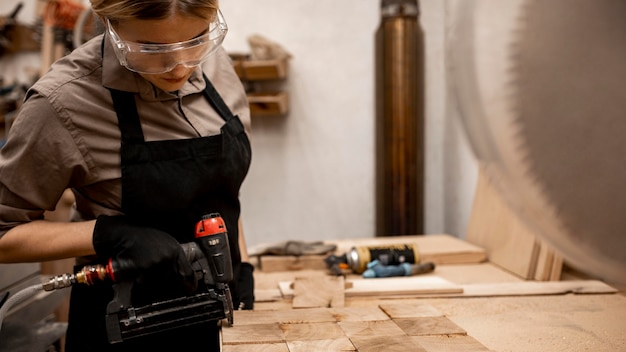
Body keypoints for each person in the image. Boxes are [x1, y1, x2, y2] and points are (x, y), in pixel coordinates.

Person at [0, 0, 253, 350]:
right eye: (151, 48)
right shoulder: (61, 101)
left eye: (195, 39)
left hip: (219, 319)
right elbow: (4, 233)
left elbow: (221, 187)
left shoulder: (214, 62)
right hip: (126, 327)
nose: (179, 66)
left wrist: (245, 262)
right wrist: (109, 235)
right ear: (109, 23)